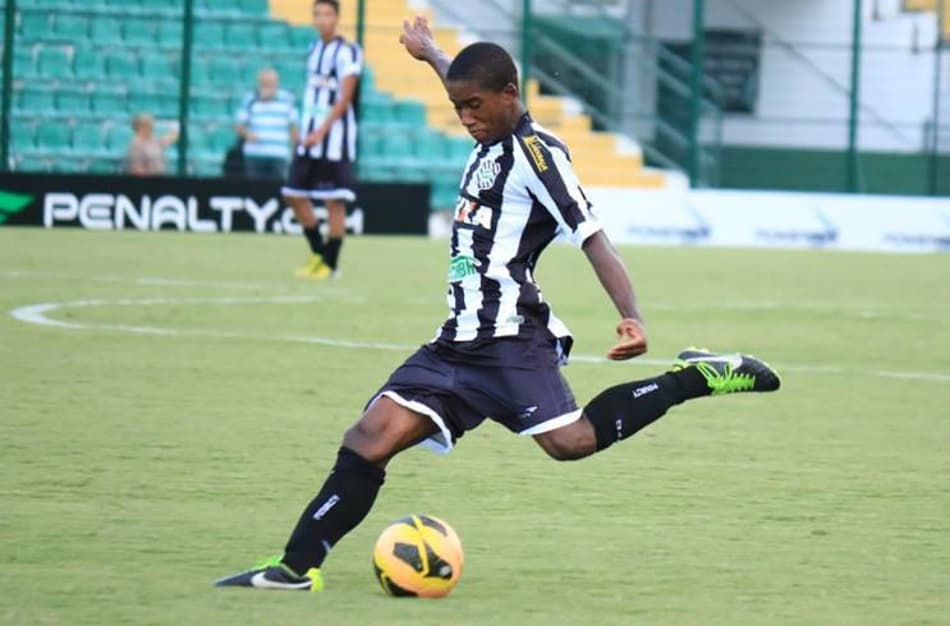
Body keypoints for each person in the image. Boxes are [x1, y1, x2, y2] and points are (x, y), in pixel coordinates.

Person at [215, 17, 781, 592]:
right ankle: (293, 568)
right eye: (460, 107)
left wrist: (629, 313)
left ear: (511, 96)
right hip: (457, 340)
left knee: (571, 442)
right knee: (368, 437)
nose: (466, 117)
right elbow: (467, 83)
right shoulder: (488, 130)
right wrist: (432, 52)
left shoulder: (540, 158)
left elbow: (592, 237)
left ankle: (695, 377)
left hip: (511, 337)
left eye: (475, 106)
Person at [282, 0, 362, 280]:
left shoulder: (348, 51)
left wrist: (322, 131)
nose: (322, 19)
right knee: (293, 194)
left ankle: (330, 265)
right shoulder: (313, 49)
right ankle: (320, 254)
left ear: (337, 18)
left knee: (334, 202)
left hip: (334, 139)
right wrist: (303, 129)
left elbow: (344, 97)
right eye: (317, 14)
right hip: (309, 136)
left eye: (327, 14)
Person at [235, 68, 299, 180]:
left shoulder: (287, 99)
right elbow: (239, 126)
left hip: (278, 154)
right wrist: (248, 134)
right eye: (265, 84)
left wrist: (295, 151)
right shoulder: (250, 99)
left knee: (278, 188)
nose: (268, 87)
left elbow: (293, 128)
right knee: (253, 189)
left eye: (270, 83)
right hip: (254, 154)